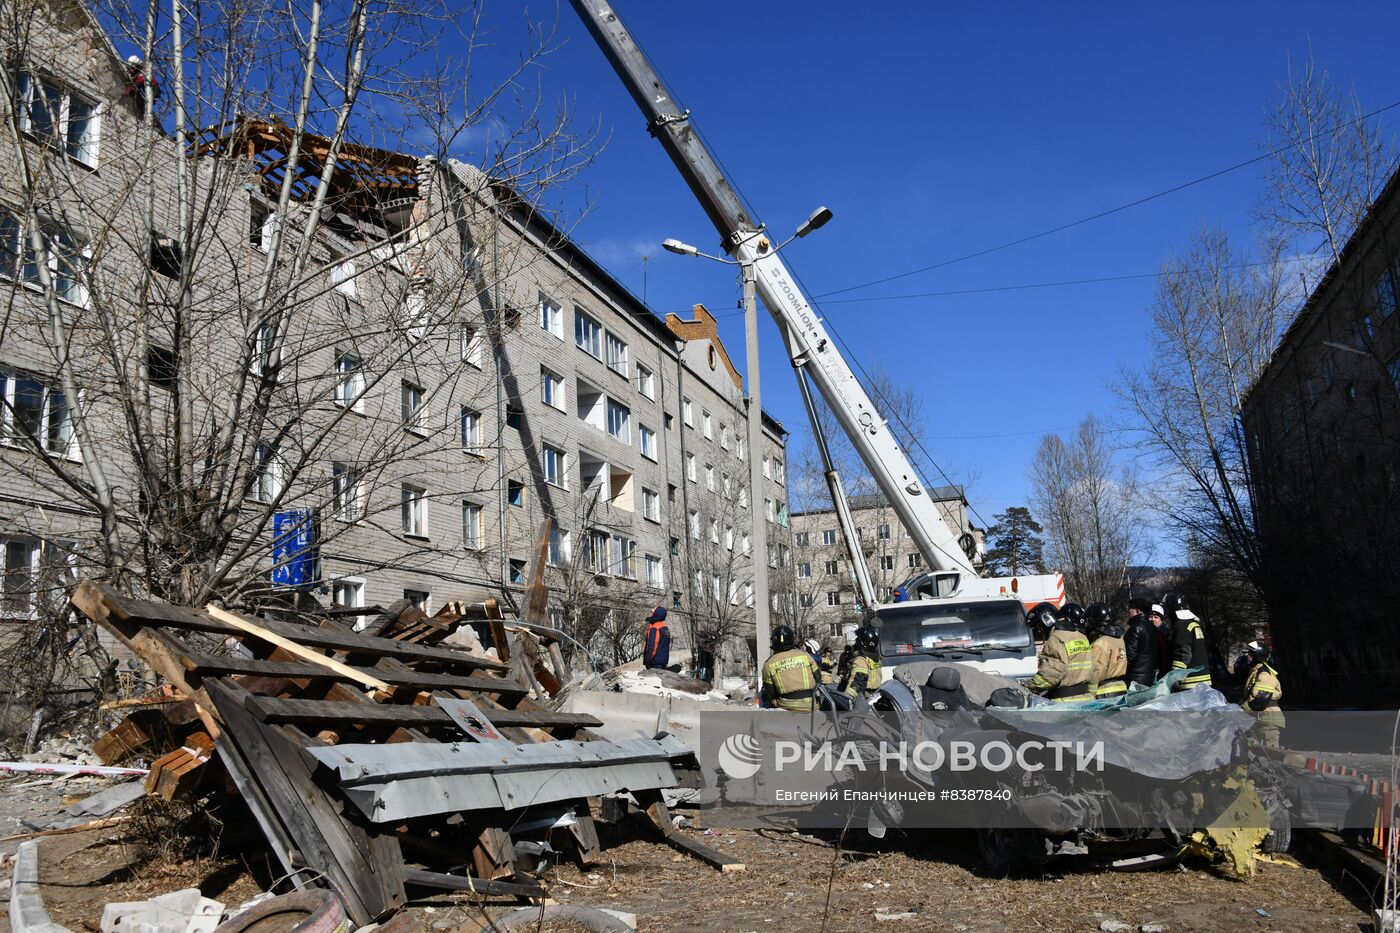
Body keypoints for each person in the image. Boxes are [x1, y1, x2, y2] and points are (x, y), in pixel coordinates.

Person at [1027, 603, 1095, 702]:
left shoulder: (1056, 638)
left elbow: (1051, 673)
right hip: (1087, 698)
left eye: (1039, 627)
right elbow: (1094, 671)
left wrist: (1028, 686)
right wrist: (1093, 696)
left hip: (1065, 701)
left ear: (1046, 621)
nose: (1039, 631)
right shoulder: (1082, 637)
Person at [760, 624, 820, 711]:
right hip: (812, 705)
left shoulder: (768, 664)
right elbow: (818, 678)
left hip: (787, 706)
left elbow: (770, 692)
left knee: (766, 697)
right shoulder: (805, 656)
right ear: (791, 639)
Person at [1241, 640, 1285, 747]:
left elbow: (1260, 700)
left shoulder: (1264, 674)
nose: (1248, 657)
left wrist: (1241, 710)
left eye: (1250, 654)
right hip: (1260, 719)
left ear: (1258, 656)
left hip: (1268, 721)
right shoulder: (1256, 672)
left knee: (1270, 756)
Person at [1164, 592, 1210, 690]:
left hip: (1189, 683)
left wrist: (1173, 678)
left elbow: (1183, 654)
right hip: (1202, 682)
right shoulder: (1192, 624)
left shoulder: (1181, 625)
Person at [1084, 603, 1128, 698]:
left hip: (1105, 692)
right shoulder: (1119, 639)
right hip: (1121, 687)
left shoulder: (1099, 644)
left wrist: (1089, 695)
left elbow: (1096, 673)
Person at [1124, 599, 1160, 688]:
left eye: (1130, 609)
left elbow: (1129, 656)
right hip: (1152, 677)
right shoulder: (1153, 627)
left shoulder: (1136, 628)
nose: (1128, 612)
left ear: (1137, 610)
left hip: (1136, 680)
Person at [841, 625, 882, 699]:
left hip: (864, 697)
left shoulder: (861, 659)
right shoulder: (874, 657)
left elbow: (858, 681)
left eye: (857, 640)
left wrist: (846, 697)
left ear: (860, 642)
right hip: (875, 694)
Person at [1148, 603, 1172, 680]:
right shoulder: (1146, 633)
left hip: (1164, 671)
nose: (1153, 620)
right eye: (1150, 617)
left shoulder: (1167, 633)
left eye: (1156, 617)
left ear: (1161, 619)